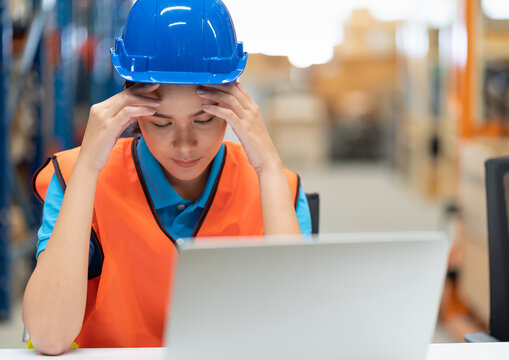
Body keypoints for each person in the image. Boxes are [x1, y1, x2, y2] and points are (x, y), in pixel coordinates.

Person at [22, 0, 312, 355]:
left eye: (204, 120)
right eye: (161, 123)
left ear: (236, 108)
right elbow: (49, 337)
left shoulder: (279, 187)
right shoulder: (73, 179)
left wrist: (267, 165)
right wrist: (88, 168)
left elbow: (300, 331)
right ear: (131, 112)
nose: (185, 144)